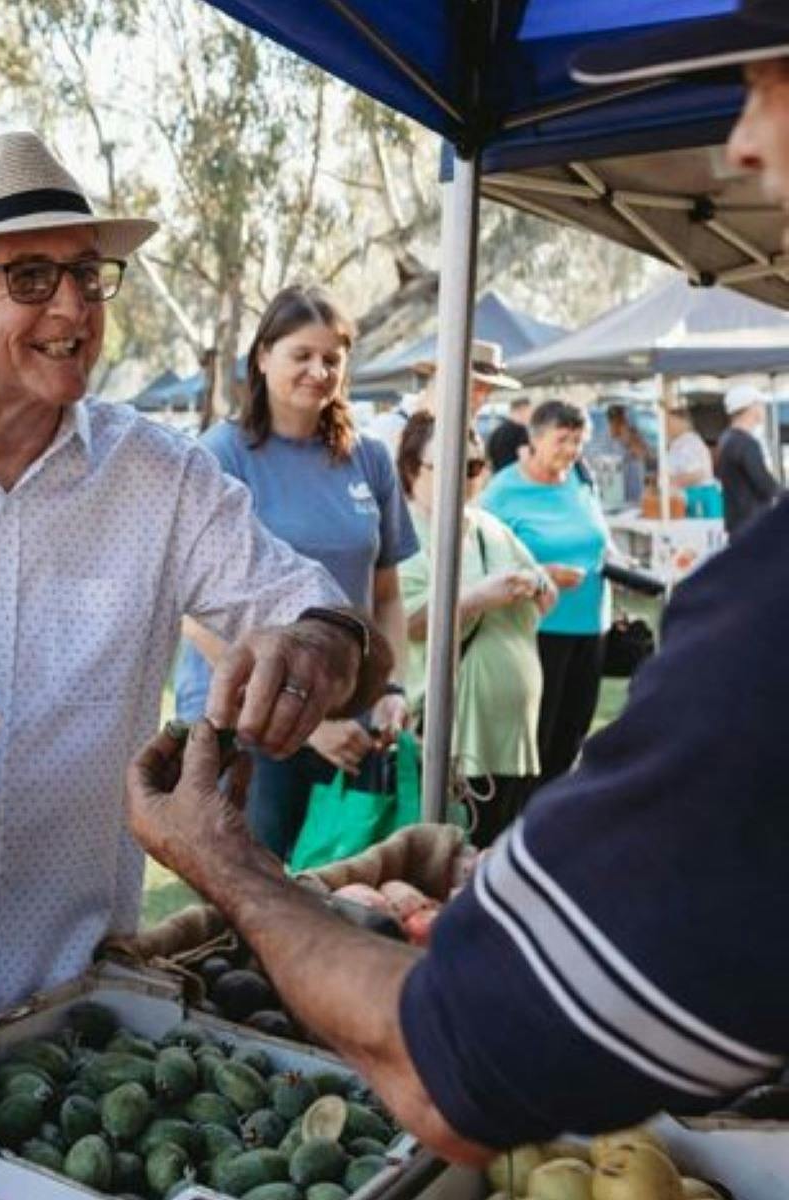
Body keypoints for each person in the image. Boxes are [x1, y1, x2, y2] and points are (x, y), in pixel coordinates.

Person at [125, 13, 789, 1163]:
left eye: (774, 81)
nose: (738, 141)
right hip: (261, 732)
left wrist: (226, 858)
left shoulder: (759, 627)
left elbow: (463, 1057)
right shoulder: (218, 456)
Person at [0, 130, 386, 1035]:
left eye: (86, 273)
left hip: (73, 1022)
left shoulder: (162, 478)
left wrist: (319, 645)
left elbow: (324, 615)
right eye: (31, 277)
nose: (73, 305)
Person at [174, 286, 416, 860]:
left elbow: (385, 595)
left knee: (345, 888)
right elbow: (192, 613)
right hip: (247, 724)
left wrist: (390, 689)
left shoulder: (370, 459)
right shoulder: (221, 454)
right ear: (263, 356)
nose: (318, 371)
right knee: (250, 892)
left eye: (332, 358)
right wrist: (308, 723)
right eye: (301, 355)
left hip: (350, 722)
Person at [395, 413, 555, 847]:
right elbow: (407, 623)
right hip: (453, 740)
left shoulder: (490, 527)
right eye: (448, 465)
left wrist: (537, 584)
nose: (464, 478)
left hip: (513, 737)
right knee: (447, 858)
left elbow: (547, 592)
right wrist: (481, 596)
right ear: (411, 468)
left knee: (497, 855)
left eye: (473, 466)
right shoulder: (405, 532)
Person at [481, 400, 611, 787]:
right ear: (535, 439)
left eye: (578, 440)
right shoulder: (503, 491)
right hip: (535, 630)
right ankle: (524, 816)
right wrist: (541, 575)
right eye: (562, 440)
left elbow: (599, 540)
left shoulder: (580, 480)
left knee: (572, 736)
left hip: (591, 627)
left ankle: (556, 813)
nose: (571, 450)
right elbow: (480, 559)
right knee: (537, 739)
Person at [364, 339, 522, 456]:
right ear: (443, 380)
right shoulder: (386, 430)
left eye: (487, 391)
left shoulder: (466, 438)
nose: (481, 399)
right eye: (476, 388)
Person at [717, 382, 782, 536]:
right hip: (753, 523)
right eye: (760, 404)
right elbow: (763, 483)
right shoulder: (745, 443)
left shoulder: (726, 438)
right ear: (751, 407)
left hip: (737, 522)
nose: (763, 409)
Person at [663, 404, 722, 518]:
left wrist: (668, 482)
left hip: (699, 500)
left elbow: (697, 474)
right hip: (691, 499)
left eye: (668, 421)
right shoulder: (679, 442)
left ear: (681, 421)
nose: (665, 426)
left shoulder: (688, 443)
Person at [485, 396, 532, 473]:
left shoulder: (496, 432)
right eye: (529, 413)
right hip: (514, 476)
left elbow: (489, 459)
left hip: (498, 477)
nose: (529, 417)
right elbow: (525, 458)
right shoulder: (521, 431)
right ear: (522, 411)